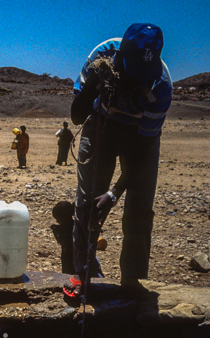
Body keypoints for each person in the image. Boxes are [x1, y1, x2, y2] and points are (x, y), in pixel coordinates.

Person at [64, 23, 172, 300]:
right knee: (87, 202)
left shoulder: (160, 87)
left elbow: (143, 151)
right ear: (120, 57)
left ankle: (132, 280)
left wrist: (113, 194)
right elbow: (77, 117)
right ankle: (83, 273)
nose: (136, 80)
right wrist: (92, 85)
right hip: (100, 124)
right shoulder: (101, 58)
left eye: (141, 76)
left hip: (140, 137)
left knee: (139, 207)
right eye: (131, 71)